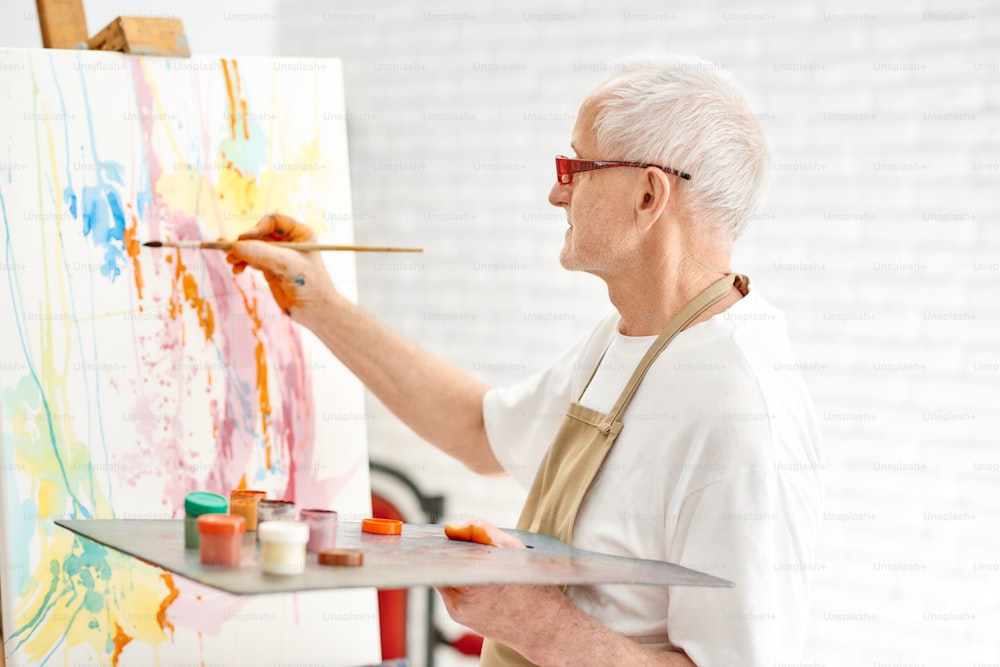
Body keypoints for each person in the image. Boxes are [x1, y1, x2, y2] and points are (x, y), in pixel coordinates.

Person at [227, 54, 825, 667]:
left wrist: (534, 622)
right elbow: (475, 431)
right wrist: (318, 303)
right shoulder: (630, 339)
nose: (556, 192)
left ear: (649, 194)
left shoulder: (743, 412)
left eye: (575, 166)